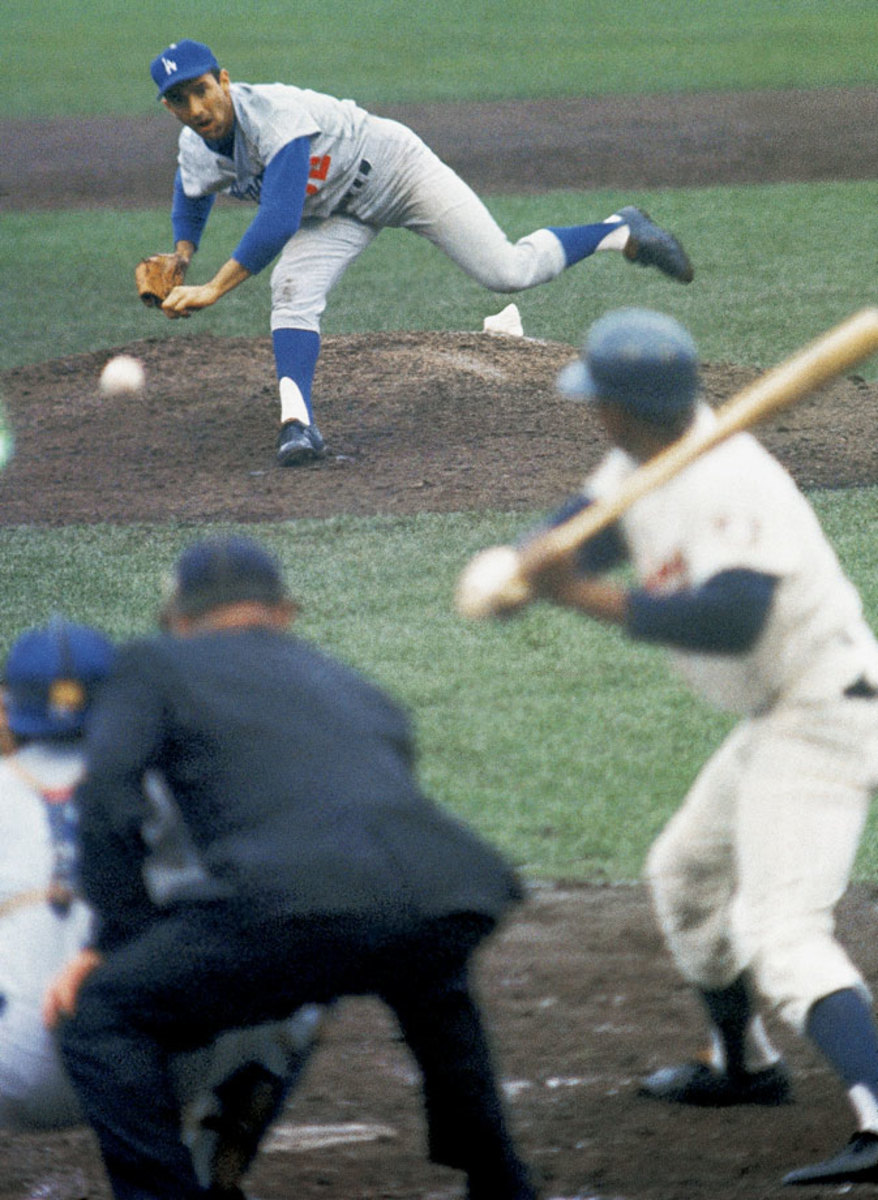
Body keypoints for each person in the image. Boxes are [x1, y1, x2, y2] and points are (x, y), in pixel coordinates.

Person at [499, 307, 878, 1186]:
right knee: (684, 876)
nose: (595, 415)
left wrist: (578, 598)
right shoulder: (646, 457)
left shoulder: (732, 481)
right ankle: (744, 1064)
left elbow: (730, 619)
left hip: (825, 711)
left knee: (780, 929)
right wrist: (532, 563)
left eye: (601, 402)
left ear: (627, 407)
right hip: (779, 714)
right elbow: (590, 522)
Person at [47, 535, 535, 1200]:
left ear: (179, 620)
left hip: (288, 905)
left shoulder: (153, 663)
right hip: (443, 891)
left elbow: (106, 794)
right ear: (285, 612)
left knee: (103, 1014)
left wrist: (114, 940)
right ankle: (501, 1182)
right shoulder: (353, 685)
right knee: (429, 977)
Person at [147, 38, 694, 467]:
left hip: (395, 171)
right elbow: (192, 192)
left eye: (201, 90)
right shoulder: (195, 145)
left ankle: (619, 230)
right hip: (333, 213)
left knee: (507, 270)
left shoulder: (274, 116)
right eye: (178, 99)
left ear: (224, 79)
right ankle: (297, 424)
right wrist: (182, 254)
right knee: (290, 290)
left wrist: (215, 287)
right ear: (169, 107)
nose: (195, 108)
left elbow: (278, 219)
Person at [0, 618, 320, 1196]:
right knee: (304, 974)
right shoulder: (173, 781)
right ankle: (208, 1168)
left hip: (13, 1077)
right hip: (151, 1069)